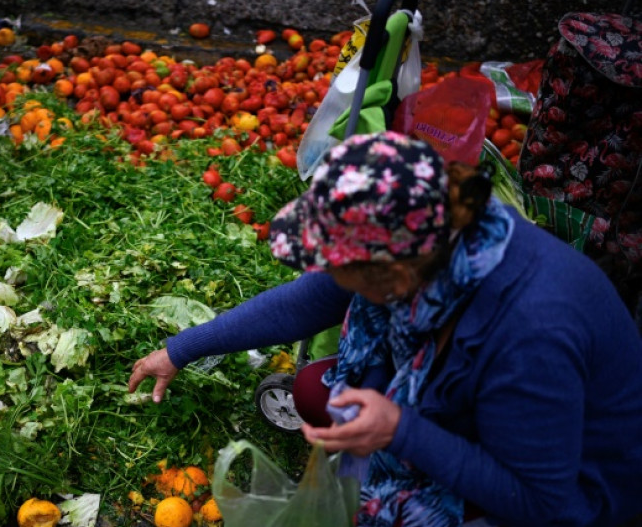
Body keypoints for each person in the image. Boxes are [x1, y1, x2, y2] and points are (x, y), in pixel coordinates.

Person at [128, 132, 642, 526]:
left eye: (336, 266)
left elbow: (540, 501)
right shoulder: (434, 243)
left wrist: (402, 431)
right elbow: (308, 301)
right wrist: (182, 349)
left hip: (570, 494)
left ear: (391, 276)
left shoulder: (529, 333)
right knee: (314, 392)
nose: (327, 274)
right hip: (488, 421)